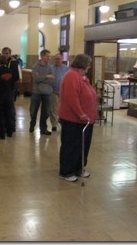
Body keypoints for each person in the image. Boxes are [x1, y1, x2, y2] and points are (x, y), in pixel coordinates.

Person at [58, 54, 96, 182]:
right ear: (83, 65)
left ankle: (78, 168)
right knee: (71, 145)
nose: (89, 67)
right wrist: (80, 113)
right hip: (73, 119)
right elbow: (71, 97)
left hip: (85, 120)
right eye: (88, 64)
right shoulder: (71, 76)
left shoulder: (82, 76)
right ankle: (66, 171)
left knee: (83, 145)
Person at [29, 49, 54, 135]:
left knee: (46, 112)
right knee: (33, 111)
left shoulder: (50, 67)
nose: (49, 58)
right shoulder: (35, 66)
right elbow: (36, 79)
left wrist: (42, 78)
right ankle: (32, 124)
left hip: (47, 93)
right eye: (47, 56)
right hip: (37, 92)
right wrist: (47, 76)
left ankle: (43, 129)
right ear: (42, 56)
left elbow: (51, 80)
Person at [0, 56, 15, 140]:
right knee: (8, 113)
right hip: (8, 95)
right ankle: (9, 132)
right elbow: (13, 83)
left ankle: (1, 134)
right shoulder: (10, 71)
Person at [0, 47, 20, 131]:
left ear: (10, 53)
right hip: (3, 88)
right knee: (3, 106)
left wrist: (8, 83)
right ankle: (3, 123)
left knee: (10, 106)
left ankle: (12, 125)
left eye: (7, 53)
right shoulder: (2, 62)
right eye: (4, 53)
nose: (5, 55)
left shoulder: (13, 63)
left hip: (11, 88)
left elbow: (15, 76)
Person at [49, 53, 68, 131]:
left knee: (63, 108)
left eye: (59, 59)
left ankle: (62, 120)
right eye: (56, 59)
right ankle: (54, 125)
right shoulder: (51, 68)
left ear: (62, 59)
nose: (57, 60)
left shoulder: (66, 68)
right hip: (53, 91)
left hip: (63, 91)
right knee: (53, 108)